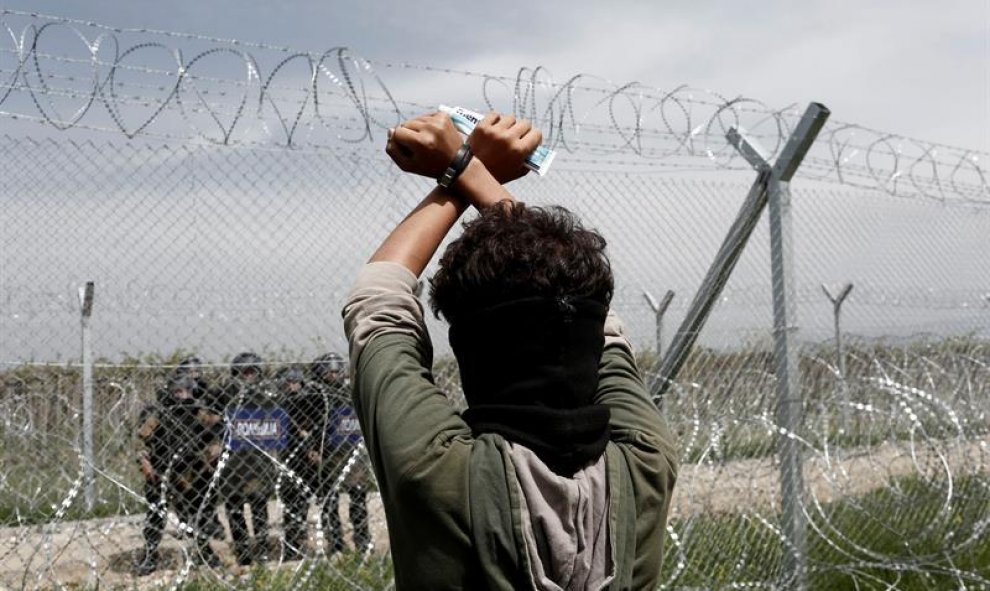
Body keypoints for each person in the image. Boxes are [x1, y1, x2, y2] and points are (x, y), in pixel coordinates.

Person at [342, 111, 678, 589]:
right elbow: (594, 322)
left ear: (469, 347)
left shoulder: (436, 470)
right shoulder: (647, 460)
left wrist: (463, 171)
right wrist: (473, 171)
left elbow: (378, 296)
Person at [133, 375, 223, 575]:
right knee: (156, 515)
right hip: (162, 472)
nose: (184, 396)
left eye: (188, 391)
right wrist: (144, 462)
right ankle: (150, 554)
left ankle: (204, 551)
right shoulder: (159, 415)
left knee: (197, 515)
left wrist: (214, 449)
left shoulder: (200, 413)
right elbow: (140, 440)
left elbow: (218, 431)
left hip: (192, 472)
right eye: (178, 392)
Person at [211, 352, 288, 566]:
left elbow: (280, 415)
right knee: (234, 508)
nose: (248, 377)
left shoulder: (267, 396)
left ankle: (262, 549)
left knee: (258, 506)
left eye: (252, 372)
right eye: (243, 373)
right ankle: (243, 552)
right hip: (232, 464)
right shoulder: (225, 395)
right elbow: (209, 413)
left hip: (258, 462)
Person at [308, 353, 372, 555]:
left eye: (337, 371)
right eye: (329, 372)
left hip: (352, 452)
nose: (334, 375)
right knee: (329, 499)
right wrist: (312, 448)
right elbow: (308, 427)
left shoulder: (350, 392)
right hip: (328, 454)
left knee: (358, 496)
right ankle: (336, 543)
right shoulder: (315, 397)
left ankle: (362, 541)